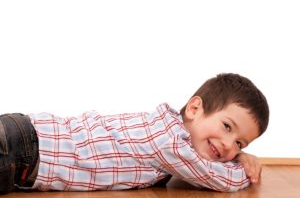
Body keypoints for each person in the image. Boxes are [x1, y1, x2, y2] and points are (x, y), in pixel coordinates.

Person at [0, 73, 269, 194]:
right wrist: (242, 166)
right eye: (226, 127)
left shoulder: (167, 129)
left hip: (26, 141)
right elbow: (222, 181)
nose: (228, 146)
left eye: (239, 142)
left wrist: (239, 155)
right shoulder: (171, 143)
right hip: (27, 151)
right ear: (195, 108)